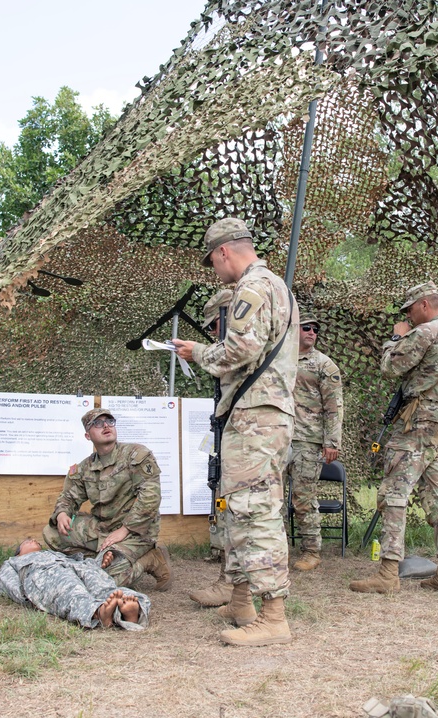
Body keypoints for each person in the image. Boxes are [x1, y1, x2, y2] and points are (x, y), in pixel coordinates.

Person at [174, 216, 298, 646]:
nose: (215, 271)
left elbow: (241, 348)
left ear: (224, 251)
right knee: (242, 508)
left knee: (256, 510)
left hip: (255, 417)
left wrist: (198, 352)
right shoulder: (276, 286)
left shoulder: (253, 286)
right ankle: (242, 600)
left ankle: (275, 618)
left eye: (212, 262)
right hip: (258, 415)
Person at [349, 281, 438, 595]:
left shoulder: (425, 332)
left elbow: (390, 367)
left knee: (394, 494)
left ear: (423, 305)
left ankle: (388, 574)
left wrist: (396, 337)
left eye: (410, 311)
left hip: (416, 424)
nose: (409, 316)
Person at [42, 408, 171, 591]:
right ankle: (102, 559)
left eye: (109, 421)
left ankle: (151, 559)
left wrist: (125, 530)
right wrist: (63, 513)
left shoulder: (136, 456)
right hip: (103, 529)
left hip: (136, 532)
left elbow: (151, 497)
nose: (105, 426)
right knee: (52, 533)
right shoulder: (84, 468)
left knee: (108, 580)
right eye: (97, 423)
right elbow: (68, 497)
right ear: (88, 435)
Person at [0, 538, 151, 630]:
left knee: (106, 588)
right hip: (45, 573)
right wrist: (28, 597)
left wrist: (100, 563)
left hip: (75, 566)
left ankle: (129, 612)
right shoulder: (14, 562)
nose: (33, 540)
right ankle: (99, 613)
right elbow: (8, 584)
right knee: (70, 592)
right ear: (18, 553)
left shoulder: (54, 553)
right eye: (27, 541)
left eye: (35, 541)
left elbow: (80, 562)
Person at [188, 288, 236, 609]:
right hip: (231, 432)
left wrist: (197, 351)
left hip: (246, 436)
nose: (212, 333)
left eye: (214, 326)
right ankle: (235, 584)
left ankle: (231, 584)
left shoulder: (243, 343)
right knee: (230, 505)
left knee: (237, 509)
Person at [285, 313, 343, 571]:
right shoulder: (279, 357)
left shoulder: (324, 365)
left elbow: (334, 406)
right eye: (306, 327)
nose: (312, 332)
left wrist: (331, 442)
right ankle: (276, 547)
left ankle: (311, 551)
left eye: (315, 329)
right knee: (271, 498)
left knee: (303, 498)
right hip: (278, 436)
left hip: (307, 441)